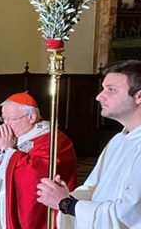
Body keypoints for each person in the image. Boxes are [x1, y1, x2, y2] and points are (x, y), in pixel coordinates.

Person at [37, 60, 141, 228]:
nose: (99, 96)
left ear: (139, 96)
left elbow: (131, 214)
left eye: (111, 90)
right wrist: (65, 197)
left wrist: (67, 205)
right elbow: (94, 189)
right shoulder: (118, 140)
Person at [0, 92, 78, 229]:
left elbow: (37, 172)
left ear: (32, 117)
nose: (5, 125)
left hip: (32, 212)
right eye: (3, 118)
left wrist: (9, 152)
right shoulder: (11, 135)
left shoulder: (55, 140)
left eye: (12, 119)